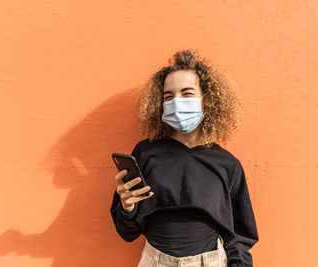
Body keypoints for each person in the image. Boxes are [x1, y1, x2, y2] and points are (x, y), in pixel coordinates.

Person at [110, 49, 259, 267]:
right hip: (155, 262)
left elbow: (240, 234)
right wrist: (127, 208)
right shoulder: (145, 154)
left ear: (207, 101)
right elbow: (127, 232)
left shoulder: (228, 165)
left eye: (187, 93)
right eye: (168, 96)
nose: (176, 102)